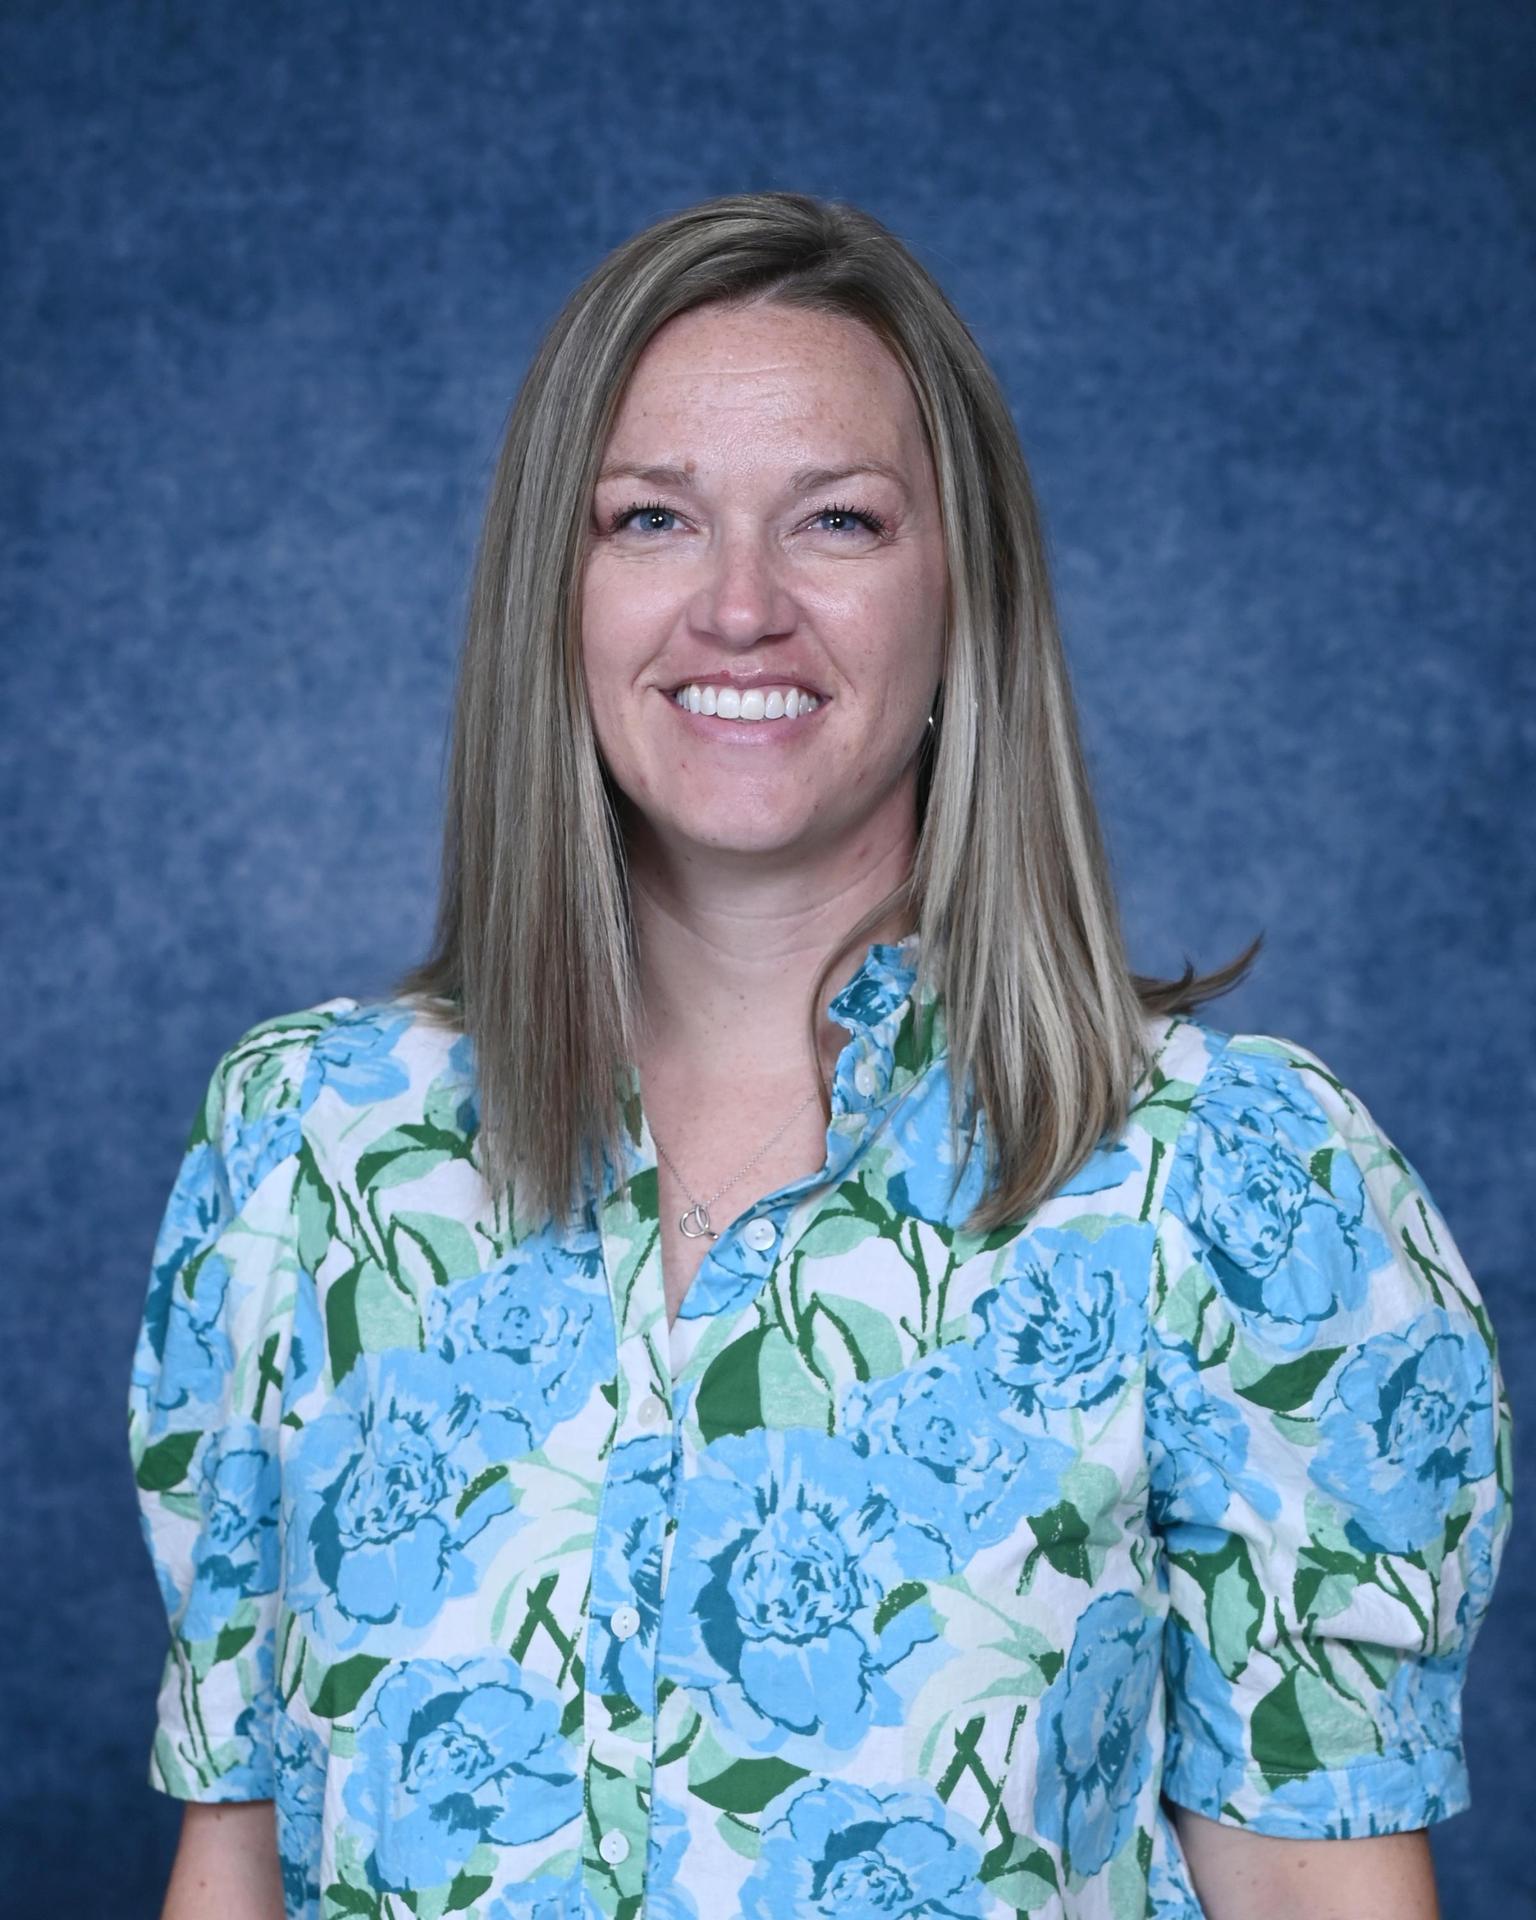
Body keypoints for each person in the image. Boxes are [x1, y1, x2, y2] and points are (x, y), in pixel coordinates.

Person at [128, 190, 1512, 1920]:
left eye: (837, 523)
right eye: (651, 519)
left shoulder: (1227, 1187)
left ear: (963, 594)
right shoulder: (310, 1159)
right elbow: (236, 1867)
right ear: (554, 589)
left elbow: (1326, 1902)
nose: (739, 607)